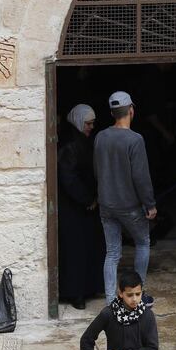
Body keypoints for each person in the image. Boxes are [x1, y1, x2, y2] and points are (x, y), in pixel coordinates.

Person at [94, 91, 157, 307]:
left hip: (106, 204)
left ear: (112, 113)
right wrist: (150, 204)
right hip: (129, 206)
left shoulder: (100, 136)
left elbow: (97, 169)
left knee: (112, 253)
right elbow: (141, 176)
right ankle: (136, 296)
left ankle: (111, 301)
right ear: (132, 110)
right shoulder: (135, 139)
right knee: (142, 242)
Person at [57, 104, 105, 310]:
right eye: (88, 123)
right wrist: (87, 199)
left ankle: (88, 288)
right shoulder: (69, 145)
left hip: (84, 207)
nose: (91, 127)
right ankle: (75, 293)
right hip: (74, 208)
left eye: (92, 123)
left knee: (88, 248)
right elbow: (69, 178)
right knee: (75, 251)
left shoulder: (80, 141)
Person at [80, 270, 159, 350]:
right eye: (130, 295)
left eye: (138, 294)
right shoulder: (108, 314)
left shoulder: (147, 315)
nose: (134, 299)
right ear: (121, 293)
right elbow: (86, 340)